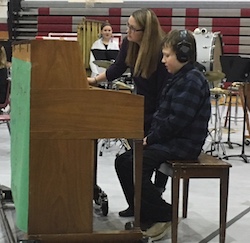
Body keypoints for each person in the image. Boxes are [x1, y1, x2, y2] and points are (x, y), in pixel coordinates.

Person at [115, 29, 211, 240]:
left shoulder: (192, 81)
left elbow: (177, 121)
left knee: (135, 163)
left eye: (167, 55)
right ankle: (144, 212)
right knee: (123, 161)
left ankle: (164, 214)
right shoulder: (178, 77)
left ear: (184, 55)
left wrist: (151, 138)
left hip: (183, 145)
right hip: (171, 140)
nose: (163, 60)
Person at [88, 9, 172, 206]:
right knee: (134, 161)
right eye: (127, 26)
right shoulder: (129, 44)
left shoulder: (161, 50)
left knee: (149, 160)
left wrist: (157, 127)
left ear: (146, 31)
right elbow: (116, 68)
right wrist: (93, 80)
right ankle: (136, 205)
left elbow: (163, 95)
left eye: (133, 28)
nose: (128, 32)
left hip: (158, 111)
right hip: (139, 108)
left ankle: (156, 196)